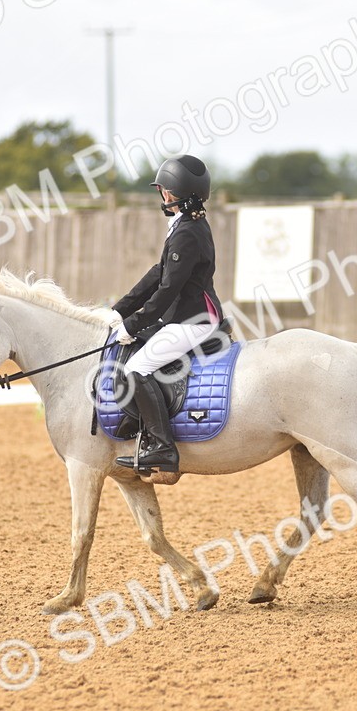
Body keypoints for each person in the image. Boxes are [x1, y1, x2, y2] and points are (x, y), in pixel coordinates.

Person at [107, 154, 225, 475]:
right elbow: (158, 273)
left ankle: (162, 446)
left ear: (172, 193)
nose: (162, 195)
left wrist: (133, 324)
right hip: (190, 314)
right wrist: (121, 309)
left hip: (192, 319)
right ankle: (141, 422)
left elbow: (168, 289)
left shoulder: (187, 233)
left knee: (136, 369)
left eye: (163, 190)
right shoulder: (187, 226)